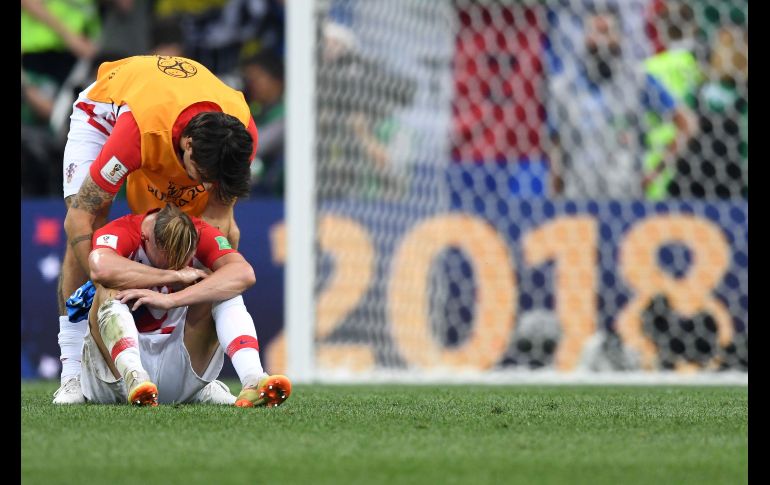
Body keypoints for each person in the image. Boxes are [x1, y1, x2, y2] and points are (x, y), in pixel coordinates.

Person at [54, 54, 259, 404]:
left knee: (214, 238)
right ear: (188, 147)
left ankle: (193, 371)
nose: (207, 186)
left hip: (172, 124)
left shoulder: (237, 135)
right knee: (91, 219)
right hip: (108, 113)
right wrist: (101, 278)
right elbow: (78, 220)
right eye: (204, 178)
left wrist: (177, 293)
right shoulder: (137, 134)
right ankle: (72, 372)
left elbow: (219, 227)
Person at [71, 203, 290, 406]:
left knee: (225, 289)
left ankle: (253, 379)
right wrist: (172, 276)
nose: (177, 262)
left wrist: (171, 300)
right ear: (147, 238)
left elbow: (244, 273)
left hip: (177, 369)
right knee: (107, 289)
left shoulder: (198, 232)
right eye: (168, 256)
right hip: (114, 379)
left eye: (183, 257)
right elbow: (100, 268)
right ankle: (134, 375)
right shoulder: (124, 230)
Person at [545, 4, 695, 199]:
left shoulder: (639, 81)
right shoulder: (564, 88)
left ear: (620, 37)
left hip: (624, 197)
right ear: (584, 37)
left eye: (607, 32)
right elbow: (557, 148)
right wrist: (554, 196)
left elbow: (687, 124)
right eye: (596, 32)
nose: (601, 41)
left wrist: (653, 174)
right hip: (577, 196)